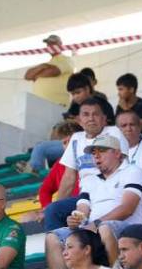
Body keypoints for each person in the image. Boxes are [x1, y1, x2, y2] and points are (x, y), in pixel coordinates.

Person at [43, 132, 142, 269]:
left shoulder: (132, 171)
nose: (96, 155)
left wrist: (96, 223)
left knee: (105, 227)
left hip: (127, 229)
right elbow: (82, 209)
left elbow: (127, 208)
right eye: (94, 152)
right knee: (53, 237)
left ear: (117, 153)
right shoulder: (89, 180)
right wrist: (75, 219)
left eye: (102, 151)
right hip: (94, 229)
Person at [45, 95, 115, 232]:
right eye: (86, 115)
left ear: (104, 118)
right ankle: (60, 249)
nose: (91, 118)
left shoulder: (114, 135)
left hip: (110, 193)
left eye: (95, 114)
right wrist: (56, 206)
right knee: (54, 210)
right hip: (85, 198)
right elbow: (68, 179)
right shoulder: (77, 140)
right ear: (79, 119)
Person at [37, 122, 82, 209]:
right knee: (27, 218)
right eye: (65, 142)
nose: (68, 145)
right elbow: (45, 190)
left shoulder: (93, 159)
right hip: (66, 210)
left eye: (72, 141)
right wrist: (47, 208)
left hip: (86, 209)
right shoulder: (59, 164)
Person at [24, 33, 75, 106]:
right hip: (41, 105)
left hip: (57, 105)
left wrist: (36, 75)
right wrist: (42, 66)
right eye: (48, 44)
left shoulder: (66, 59)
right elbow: (27, 76)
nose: (50, 46)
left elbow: (54, 71)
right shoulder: (48, 63)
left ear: (60, 44)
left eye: (53, 43)